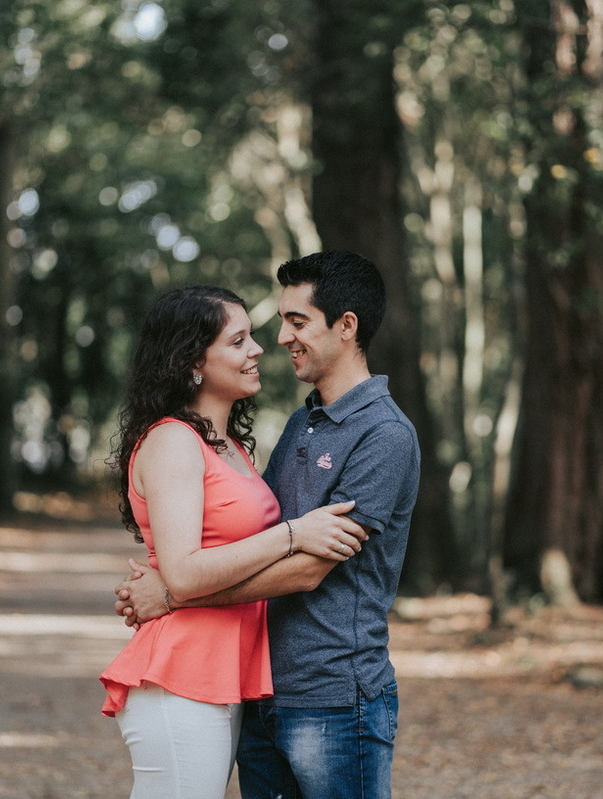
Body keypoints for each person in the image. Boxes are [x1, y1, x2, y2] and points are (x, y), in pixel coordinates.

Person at [114, 251, 422, 799]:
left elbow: (307, 569)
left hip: (333, 693)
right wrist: (181, 576)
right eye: (277, 322)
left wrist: (173, 594)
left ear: (346, 326)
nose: (279, 339)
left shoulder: (385, 434)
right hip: (262, 690)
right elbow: (260, 538)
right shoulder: (303, 424)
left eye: (296, 321)